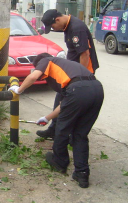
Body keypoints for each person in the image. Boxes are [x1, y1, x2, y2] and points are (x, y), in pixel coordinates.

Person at [9, 53, 104, 188]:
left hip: (78, 91)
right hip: (97, 90)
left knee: (62, 129)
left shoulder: (47, 60)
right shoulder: (69, 70)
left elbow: (33, 76)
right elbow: (66, 104)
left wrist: (18, 90)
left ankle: (59, 162)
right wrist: (47, 118)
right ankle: (82, 174)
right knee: (80, 134)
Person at [37, 9, 99, 140]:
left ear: (58, 20)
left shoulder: (77, 28)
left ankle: (70, 135)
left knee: (72, 104)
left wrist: (81, 77)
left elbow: (84, 54)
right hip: (71, 73)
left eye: (53, 26)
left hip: (78, 75)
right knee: (60, 99)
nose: (53, 28)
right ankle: (54, 129)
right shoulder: (67, 26)